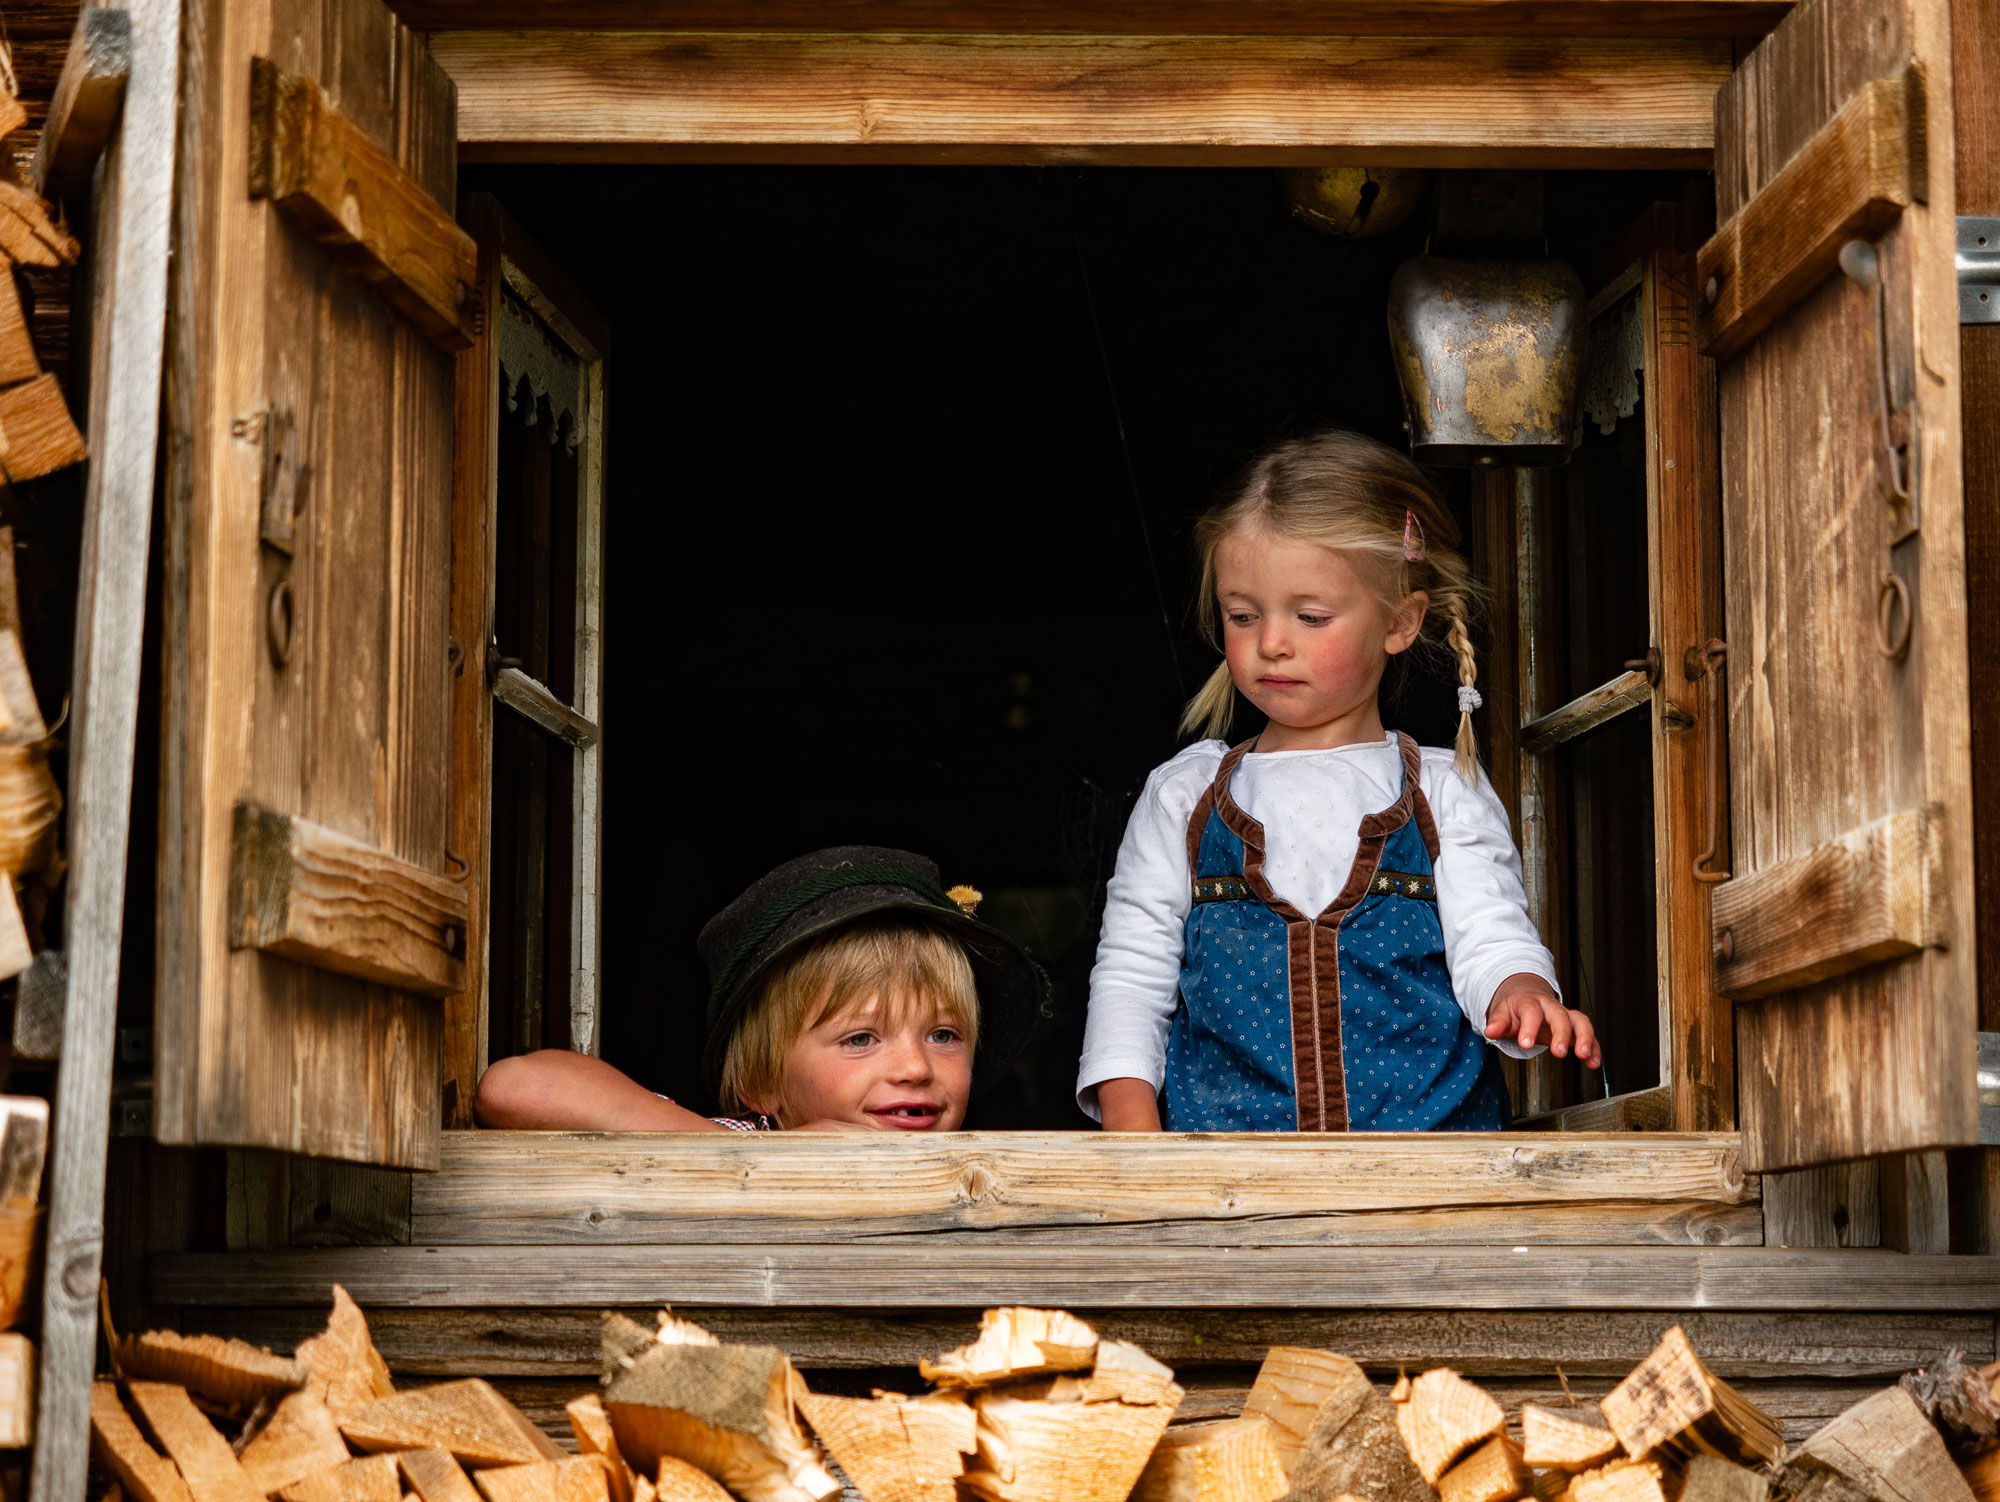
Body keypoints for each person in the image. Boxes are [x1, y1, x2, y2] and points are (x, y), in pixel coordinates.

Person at [1078, 431, 1601, 1133]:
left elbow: (1491, 934)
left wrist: (1523, 990)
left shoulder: (1443, 791)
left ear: (1401, 621)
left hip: (1428, 1175)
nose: (1271, 642)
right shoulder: (1185, 797)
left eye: (1310, 616)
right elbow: (1132, 979)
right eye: (1243, 615)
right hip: (1227, 1179)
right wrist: (1133, 1143)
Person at [475, 846, 1044, 1131]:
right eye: (860, 1039)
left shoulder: (972, 1163)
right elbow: (514, 1085)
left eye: (943, 1034)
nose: (916, 1067)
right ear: (761, 1082)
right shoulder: (753, 1141)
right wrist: (744, 1158)